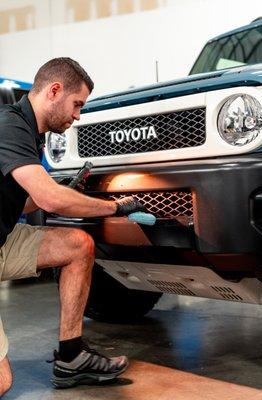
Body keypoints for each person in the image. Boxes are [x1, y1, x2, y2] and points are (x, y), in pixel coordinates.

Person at [0, 57, 145, 395]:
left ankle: (72, 356)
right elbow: (49, 200)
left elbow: (27, 203)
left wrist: (68, 190)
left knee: (78, 245)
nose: (78, 115)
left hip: (2, 241)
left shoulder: (31, 132)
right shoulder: (8, 126)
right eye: (77, 104)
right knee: (3, 382)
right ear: (54, 90)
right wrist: (114, 208)